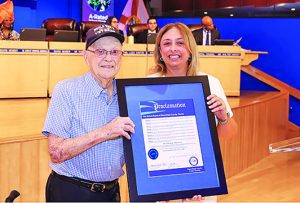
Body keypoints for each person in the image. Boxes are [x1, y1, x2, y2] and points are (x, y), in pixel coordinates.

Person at [42, 24, 135, 202]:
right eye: (100, 51)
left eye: (115, 52)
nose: (108, 58)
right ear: (86, 56)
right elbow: (56, 152)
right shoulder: (66, 90)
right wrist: (106, 131)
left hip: (111, 192)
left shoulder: (128, 95)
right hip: (71, 191)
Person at [150, 22, 237, 202]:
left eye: (180, 43)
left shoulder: (210, 83)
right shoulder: (147, 85)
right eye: (167, 43)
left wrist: (222, 118)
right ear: (159, 51)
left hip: (199, 179)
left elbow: (230, 134)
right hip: (159, 180)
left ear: (190, 49)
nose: (173, 49)